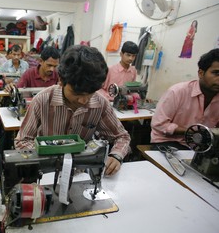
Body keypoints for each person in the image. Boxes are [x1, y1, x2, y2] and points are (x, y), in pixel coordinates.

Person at [15, 45, 131, 175]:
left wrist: (116, 156)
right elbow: (22, 141)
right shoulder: (42, 100)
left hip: (80, 171)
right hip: (47, 171)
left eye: (90, 93)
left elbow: (122, 136)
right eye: (77, 93)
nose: (84, 100)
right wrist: (46, 154)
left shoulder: (100, 104)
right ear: (61, 80)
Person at [151, 48, 219, 149]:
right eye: (216, 73)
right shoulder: (177, 92)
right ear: (201, 73)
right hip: (169, 141)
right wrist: (192, 131)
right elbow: (158, 124)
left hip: (201, 145)